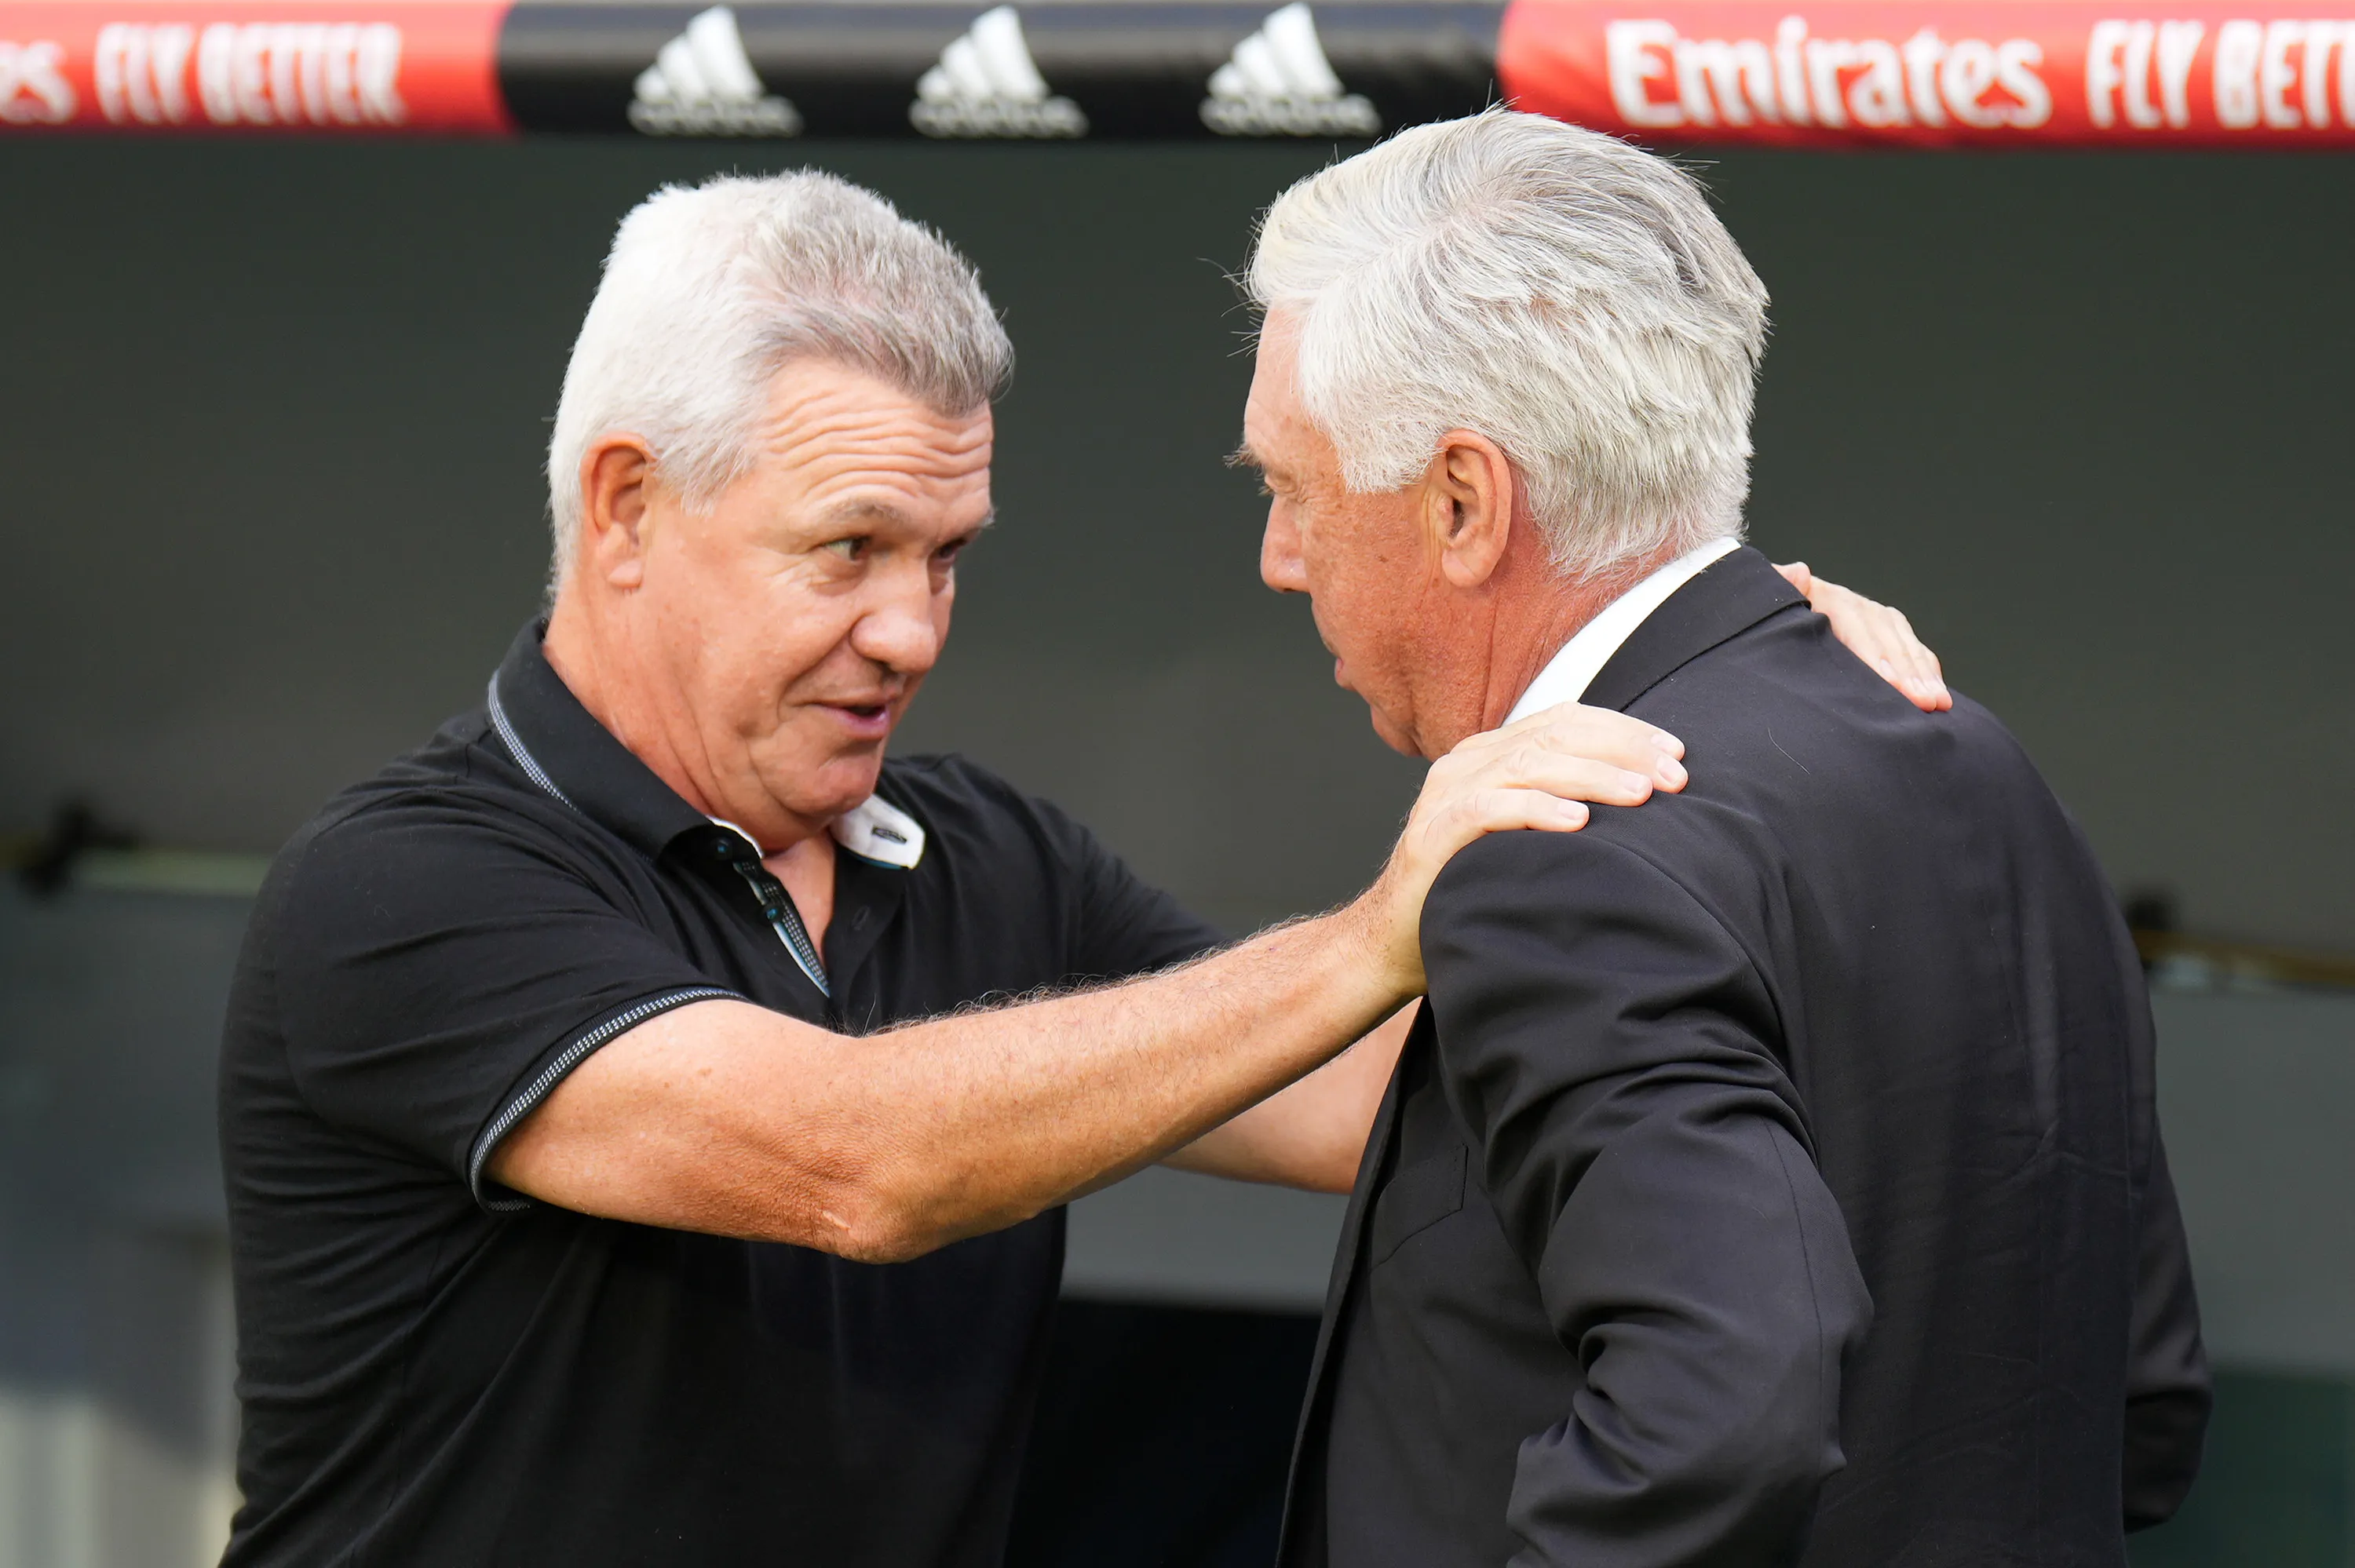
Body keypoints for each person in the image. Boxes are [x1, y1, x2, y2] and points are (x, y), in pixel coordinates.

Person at [216, 170, 1944, 1567]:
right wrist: (1374, 934)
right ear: (623, 510)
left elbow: (1386, 1112)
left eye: (945, 557)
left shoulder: (985, 857)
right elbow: (852, 1160)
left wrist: (1731, 713)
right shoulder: (400, 887)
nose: (907, 630)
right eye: (847, 551)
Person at [1234, 111, 2211, 1567]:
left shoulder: (1561, 847)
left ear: (1460, 500)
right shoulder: (1981, 767)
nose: (1278, 556)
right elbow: (2141, 1408)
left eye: (1292, 489)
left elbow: (1733, 1405)